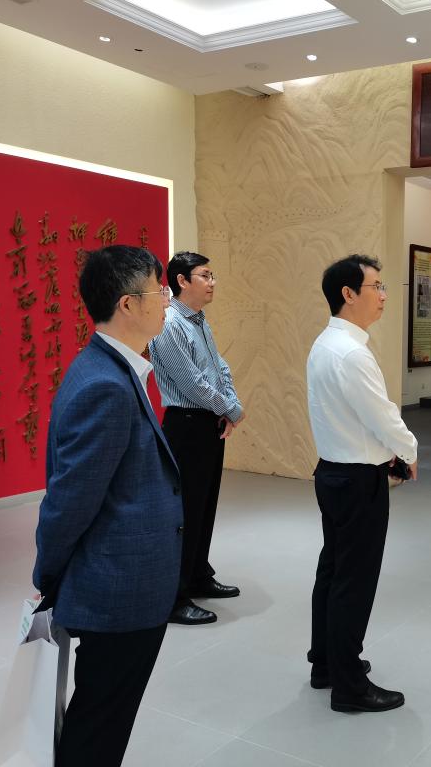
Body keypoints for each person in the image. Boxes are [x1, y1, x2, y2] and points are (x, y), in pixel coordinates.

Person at [32, 245, 180, 767]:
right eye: (159, 291)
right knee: (100, 723)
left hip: (123, 587)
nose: (166, 301)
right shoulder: (106, 386)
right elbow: (69, 502)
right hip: (118, 593)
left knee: (102, 716)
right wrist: (48, 575)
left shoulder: (111, 368)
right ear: (127, 304)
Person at [306, 254, 418, 713]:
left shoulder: (326, 343)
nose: (384, 295)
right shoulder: (351, 353)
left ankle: (326, 664)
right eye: (376, 286)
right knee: (354, 581)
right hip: (357, 481)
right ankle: (349, 686)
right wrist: (408, 450)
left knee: (333, 572)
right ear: (348, 293)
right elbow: (382, 416)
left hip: (333, 473)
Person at [149, 251, 244, 626]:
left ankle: (199, 574)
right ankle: (174, 596)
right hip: (186, 424)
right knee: (185, 512)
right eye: (205, 275)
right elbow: (192, 383)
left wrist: (230, 406)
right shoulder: (170, 324)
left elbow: (219, 367)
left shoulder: (199, 320)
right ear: (182, 281)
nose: (212, 282)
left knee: (205, 505)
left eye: (212, 275)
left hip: (208, 421)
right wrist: (229, 408)